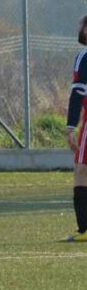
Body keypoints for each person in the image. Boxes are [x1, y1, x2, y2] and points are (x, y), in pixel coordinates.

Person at [65, 14, 87, 242]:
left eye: (81, 25)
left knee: (82, 170)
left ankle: (85, 229)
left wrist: (71, 126)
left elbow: (78, 91)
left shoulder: (84, 56)